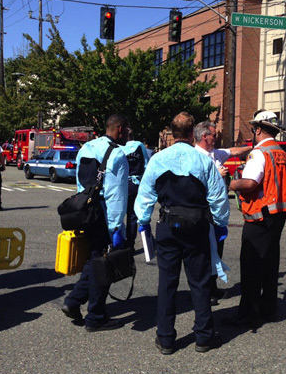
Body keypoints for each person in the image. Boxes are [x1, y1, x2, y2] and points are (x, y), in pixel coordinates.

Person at [135, 112, 230, 354]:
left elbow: (145, 194)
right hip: (197, 226)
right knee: (199, 282)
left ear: (170, 133)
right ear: (191, 134)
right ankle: (204, 336)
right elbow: (217, 197)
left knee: (167, 283)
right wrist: (220, 224)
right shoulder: (203, 161)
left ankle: (166, 337)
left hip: (168, 224)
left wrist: (143, 221)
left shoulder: (158, 159)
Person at [61, 114, 130, 332]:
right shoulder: (118, 154)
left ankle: (74, 301)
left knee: (94, 259)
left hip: (85, 212)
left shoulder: (87, 147)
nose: (129, 134)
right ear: (119, 128)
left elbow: (81, 183)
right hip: (104, 215)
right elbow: (116, 195)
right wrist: (117, 228)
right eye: (127, 129)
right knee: (104, 264)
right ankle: (95, 317)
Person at [227, 110, 286, 327]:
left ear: (258, 130)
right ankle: (269, 309)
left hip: (259, 215)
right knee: (270, 263)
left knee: (251, 265)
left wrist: (231, 183)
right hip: (278, 214)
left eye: (253, 129)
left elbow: (250, 183)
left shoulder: (259, 153)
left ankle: (249, 314)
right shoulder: (281, 152)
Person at [194, 121, 250, 305]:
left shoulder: (215, 154)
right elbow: (194, 185)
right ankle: (205, 293)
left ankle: (212, 287)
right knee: (204, 251)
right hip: (204, 211)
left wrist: (253, 148)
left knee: (217, 249)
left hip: (218, 213)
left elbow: (233, 151)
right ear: (204, 137)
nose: (216, 137)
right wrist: (216, 174)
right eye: (214, 135)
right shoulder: (195, 157)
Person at [120, 131, 150, 249]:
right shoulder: (139, 146)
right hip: (135, 184)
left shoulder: (119, 147)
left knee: (119, 214)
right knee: (132, 215)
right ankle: (130, 244)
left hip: (122, 184)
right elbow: (146, 165)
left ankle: (118, 241)